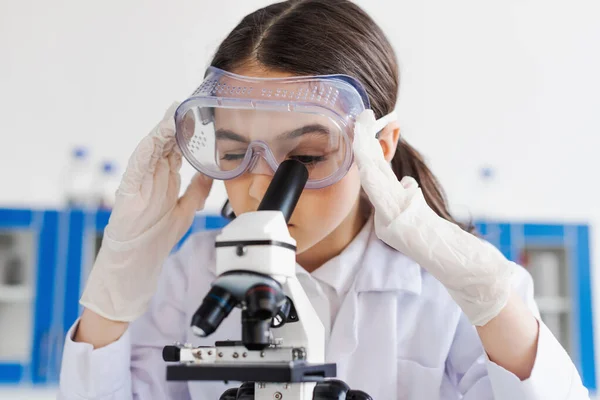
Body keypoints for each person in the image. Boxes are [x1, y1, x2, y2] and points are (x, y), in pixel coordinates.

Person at [58, 1, 589, 399]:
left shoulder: (453, 291)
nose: (262, 189)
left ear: (376, 148)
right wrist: (110, 296)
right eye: (234, 152)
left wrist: (495, 304)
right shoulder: (190, 278)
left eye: (305, 157)